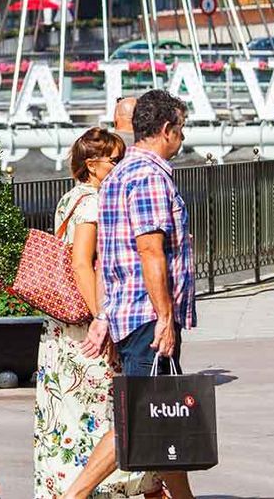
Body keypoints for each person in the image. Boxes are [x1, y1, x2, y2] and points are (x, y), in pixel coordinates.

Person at [66, 89, 196, 499]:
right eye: (180, 129)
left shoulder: (120, 174)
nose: (183, 138)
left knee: (162, 415)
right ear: (164, 130)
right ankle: (73, 496)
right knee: (136, 420)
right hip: (146, 318)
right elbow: (149, 250)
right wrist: (164, 317)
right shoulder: (148, 175)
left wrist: (106, 315)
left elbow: (108, 256)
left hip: (128, 314)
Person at [34, 128, 162, 499]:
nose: (120, 166)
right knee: (99, 410)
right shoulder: (92, 203)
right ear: (92, 165)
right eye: (114, 160)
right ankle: (95, 488)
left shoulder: (69, 200)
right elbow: (81, 264)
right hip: (82, 328)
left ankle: (65, 486)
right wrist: (100, 319)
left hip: (60, 327)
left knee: (66, 413)